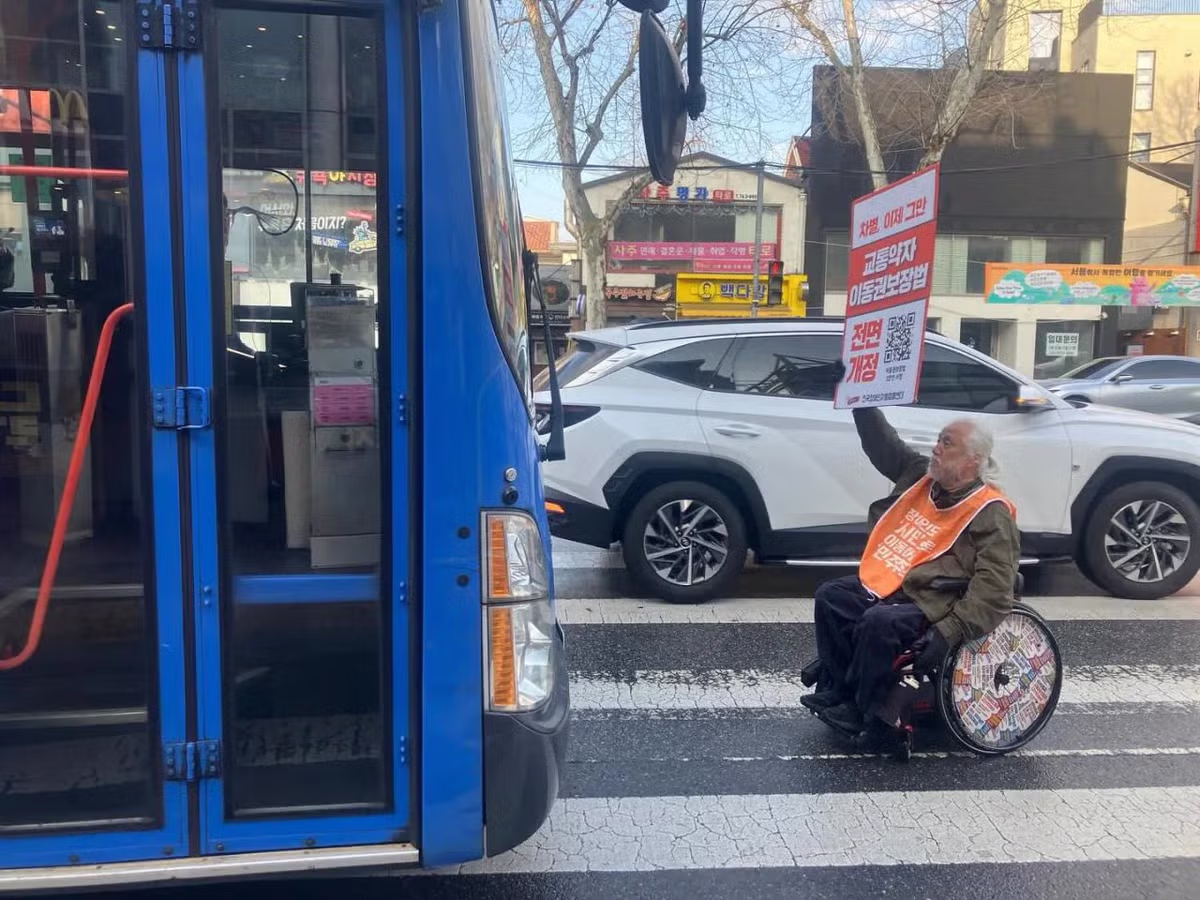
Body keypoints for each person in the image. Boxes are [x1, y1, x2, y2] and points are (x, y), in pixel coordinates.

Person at [804, 376, 1020, 750]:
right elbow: (884, 447)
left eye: (946, 443)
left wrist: (950, 630)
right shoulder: (921, 476)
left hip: (937, 599)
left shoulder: (991, 512)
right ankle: (841, 688)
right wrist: (861, 401)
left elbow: (996, 589)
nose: (935, 448)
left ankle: (863, 707)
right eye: (938, 440)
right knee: (831, 596)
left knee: (878, 622)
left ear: (973, 461)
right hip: (895, 583)